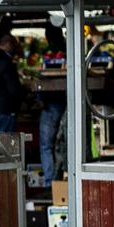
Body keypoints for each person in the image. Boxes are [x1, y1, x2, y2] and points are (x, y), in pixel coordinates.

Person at [39, 22, 67, 186]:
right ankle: (64, 179)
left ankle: (51, 183)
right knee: (65, 144)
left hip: (50, 104)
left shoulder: (48, 54)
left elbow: (41, 78)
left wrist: (39, 98)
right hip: (67, 103)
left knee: (47, 146)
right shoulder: (69, 47)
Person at [0, 35, 25, 133]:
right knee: (6, 146)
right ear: (8, 45)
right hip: (4, 110)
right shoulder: (6, 63)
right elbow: (14, 90)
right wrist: (16, 109)